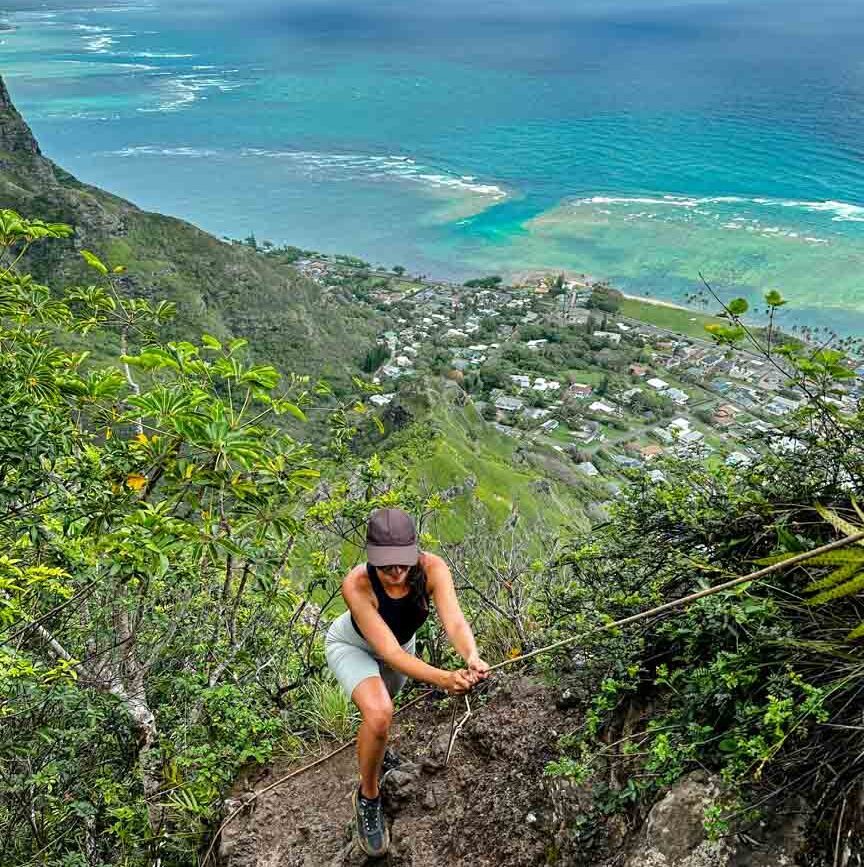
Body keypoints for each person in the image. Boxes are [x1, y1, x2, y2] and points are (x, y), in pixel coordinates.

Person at [325, 507, 489, 857]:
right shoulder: (357, 584)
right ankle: (368, 796)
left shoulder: (432, 569)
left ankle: (377, 752)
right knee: (379, 714)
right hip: (353, 645)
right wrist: (444, 679)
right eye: (386, 565)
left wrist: (471, 656)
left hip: (402, 646)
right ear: (371, 557)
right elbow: (389, 652)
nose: (397, 572)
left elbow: (454, 621)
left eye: (403, 562)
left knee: (380, 716)